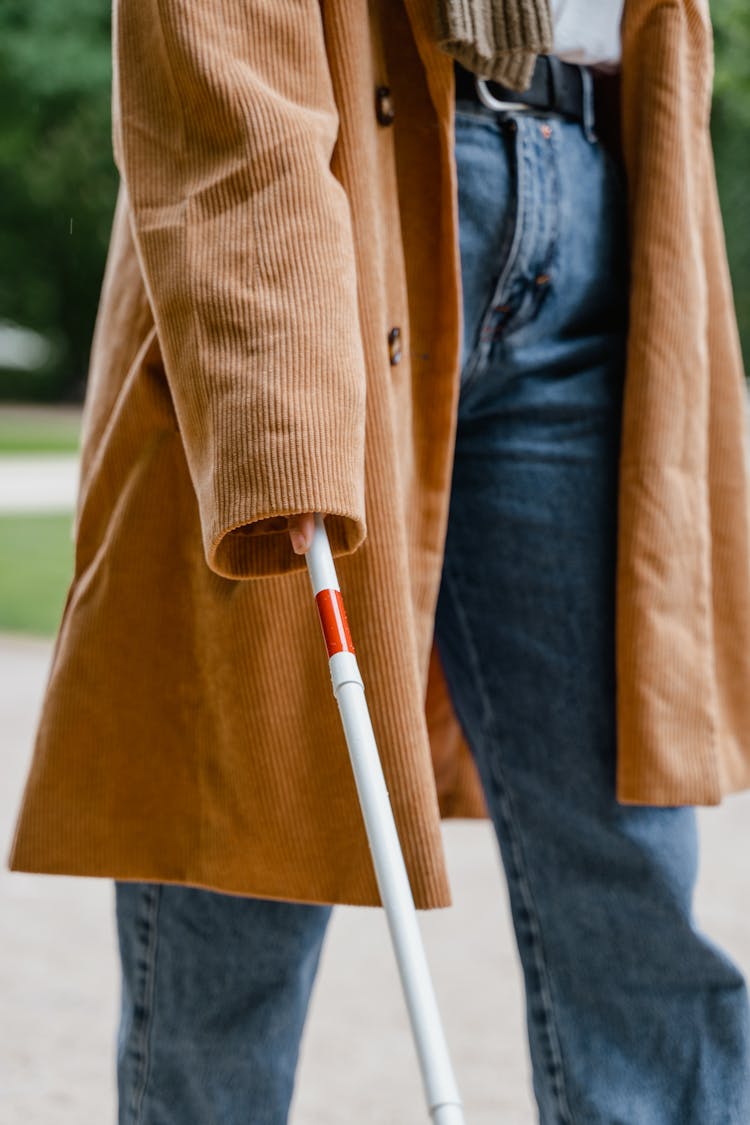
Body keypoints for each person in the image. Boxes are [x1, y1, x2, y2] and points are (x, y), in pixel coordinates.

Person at [8, 1, 750, 1122]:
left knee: (629, 860)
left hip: (597, 181)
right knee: (244, 832)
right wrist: (272, 379)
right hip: (332, 215)